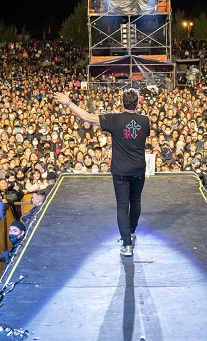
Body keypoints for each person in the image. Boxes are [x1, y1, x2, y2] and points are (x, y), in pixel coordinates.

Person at [55, 88, 150, 257]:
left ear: (122, 103)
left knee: (122, 205)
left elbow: (86, 118)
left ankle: (127, 244)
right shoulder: (145, 121)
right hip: (138, 169)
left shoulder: (114, 119)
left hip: (120, 171)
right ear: (138, 102)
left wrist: (67, 102)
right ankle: (132, 231)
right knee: (136, 201)